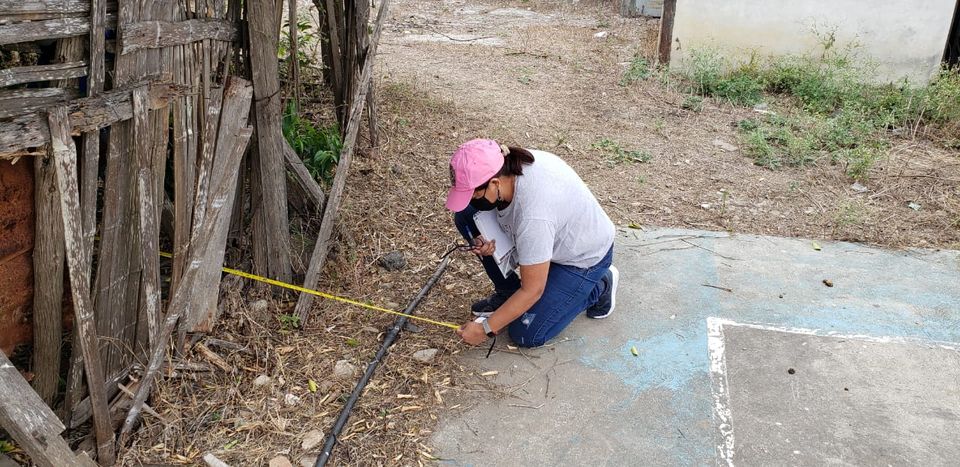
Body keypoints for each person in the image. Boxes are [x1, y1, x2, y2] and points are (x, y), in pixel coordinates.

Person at [445, 138, 619, 348]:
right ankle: (509, 293)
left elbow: (532, 290)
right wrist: (481, 236)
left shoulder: (534, 216)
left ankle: (600, 285)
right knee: (467, 215)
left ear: (495, 183)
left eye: (475, 194)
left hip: (581, 258)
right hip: (548, 238)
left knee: (526, 333)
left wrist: (485, 329)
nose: (472, 199)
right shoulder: (508, 165)